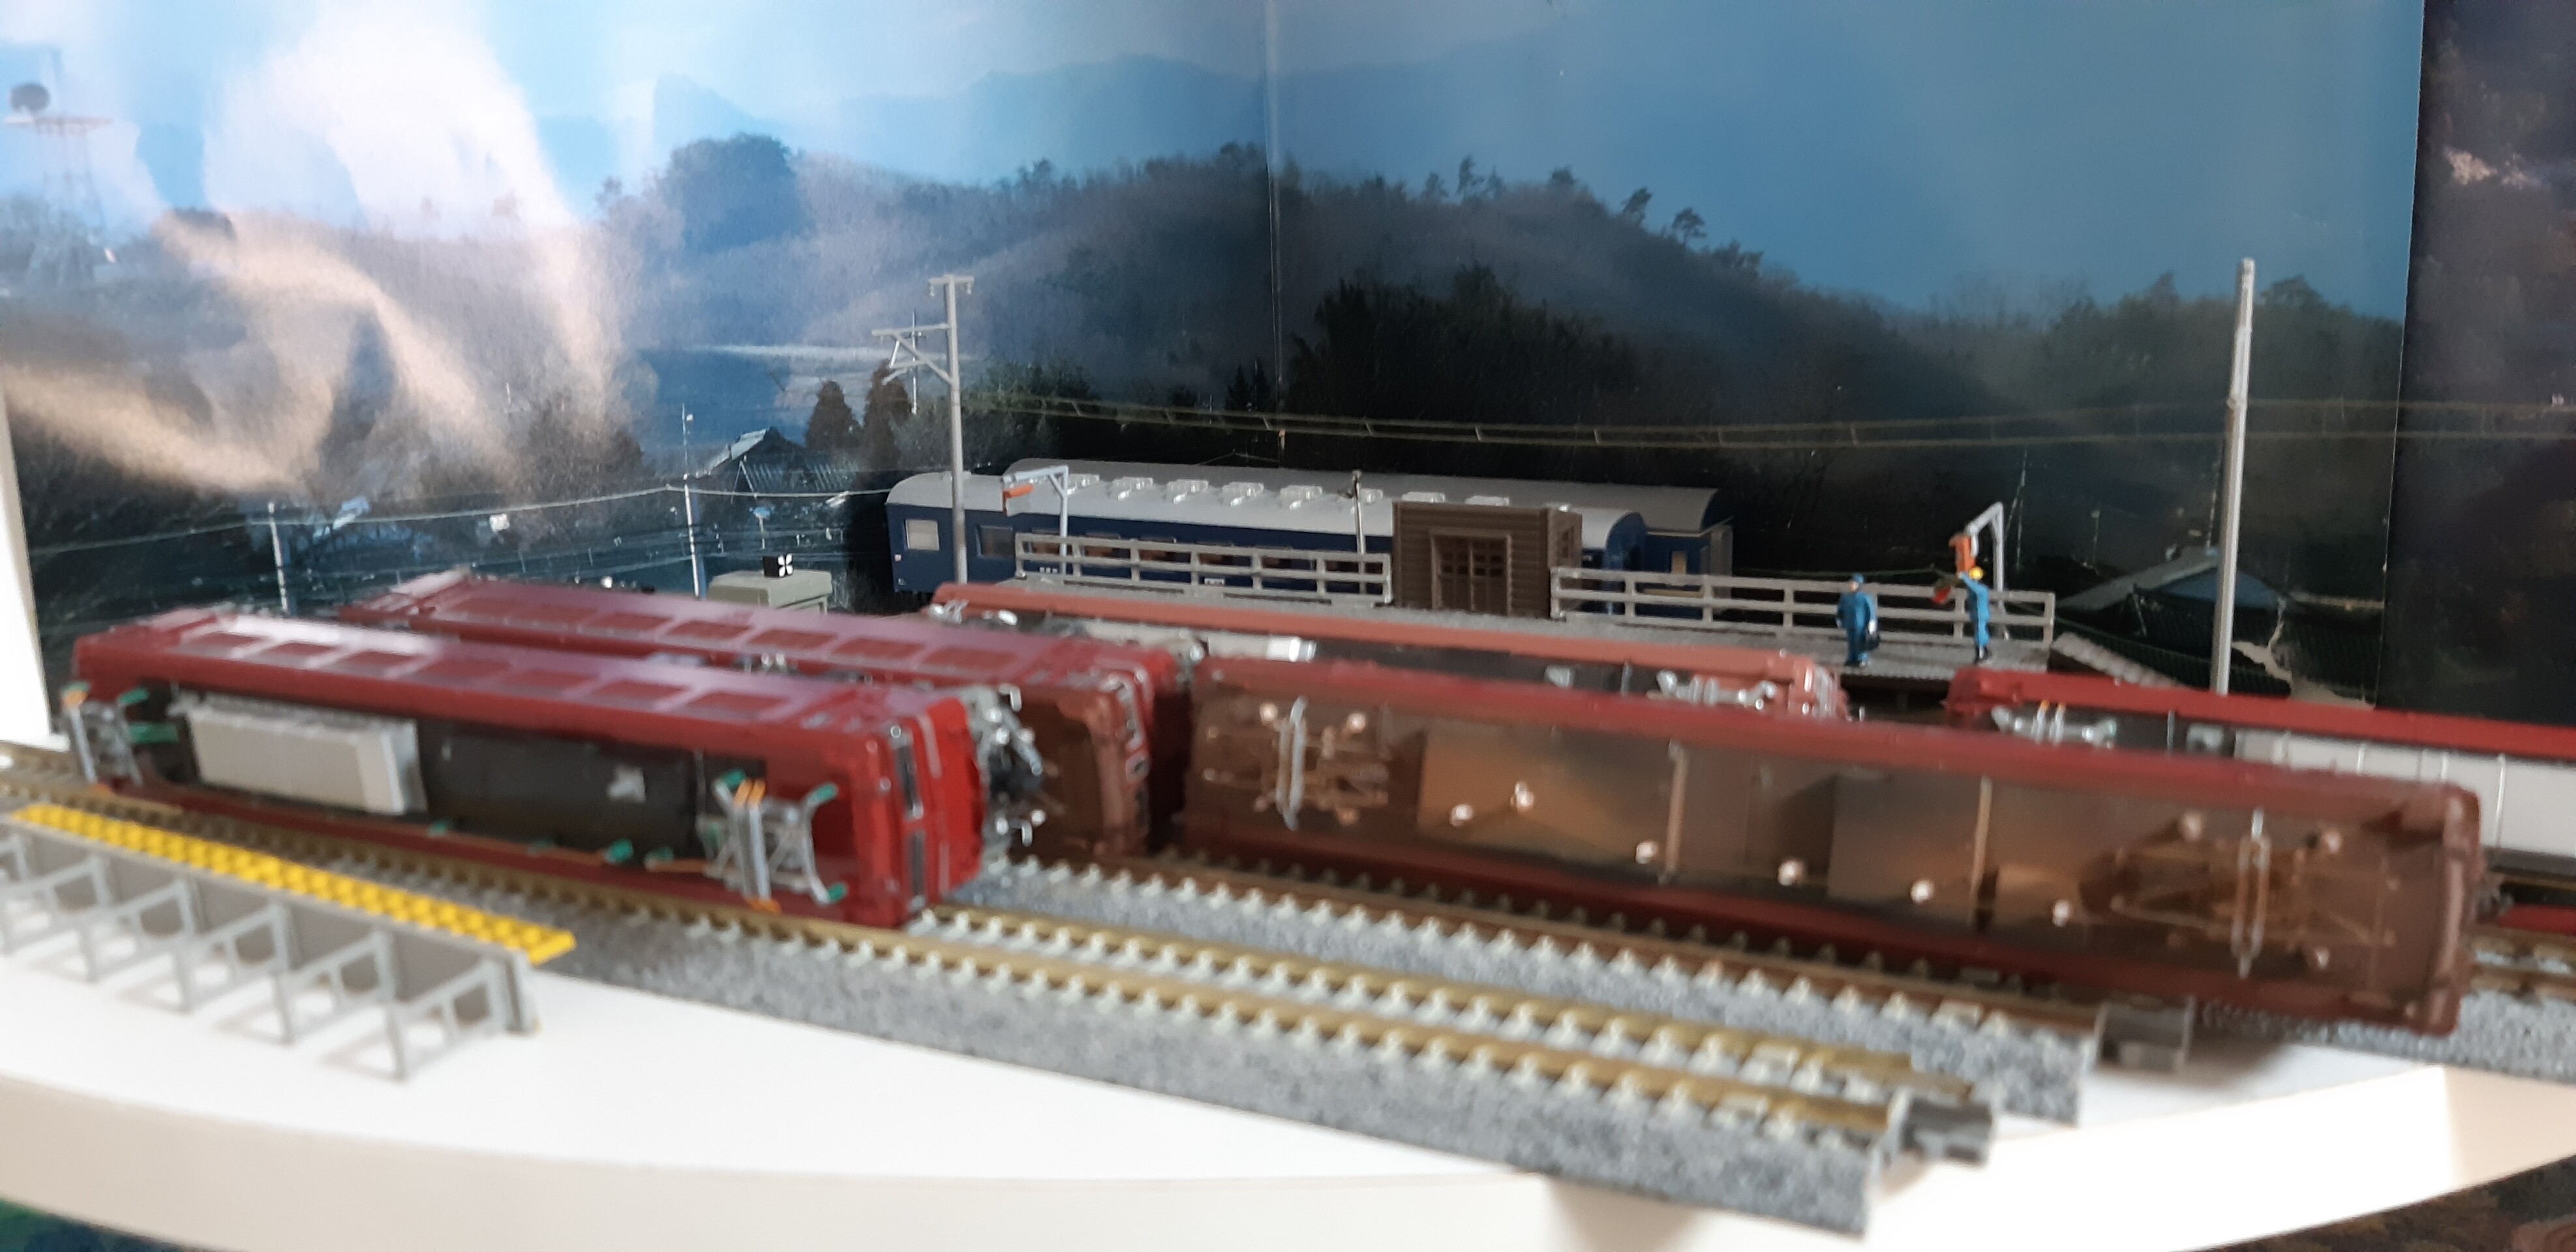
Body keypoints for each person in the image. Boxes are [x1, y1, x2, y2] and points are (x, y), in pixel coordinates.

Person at [1836, 574, 1879, 668]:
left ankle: (1862, 658)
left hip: (1861, 625)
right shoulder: (1845, 597)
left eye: (1854, 583)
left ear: (1859, 585)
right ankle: (1852, 658)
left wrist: (1872, 622)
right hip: (1849, 623)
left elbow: (1870, 611)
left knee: (1861, 642)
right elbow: (1841, 609)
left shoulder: (1865, 598)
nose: (1852, 585)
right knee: (1851, 641)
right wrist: (1839, 618)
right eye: (1851, 583)